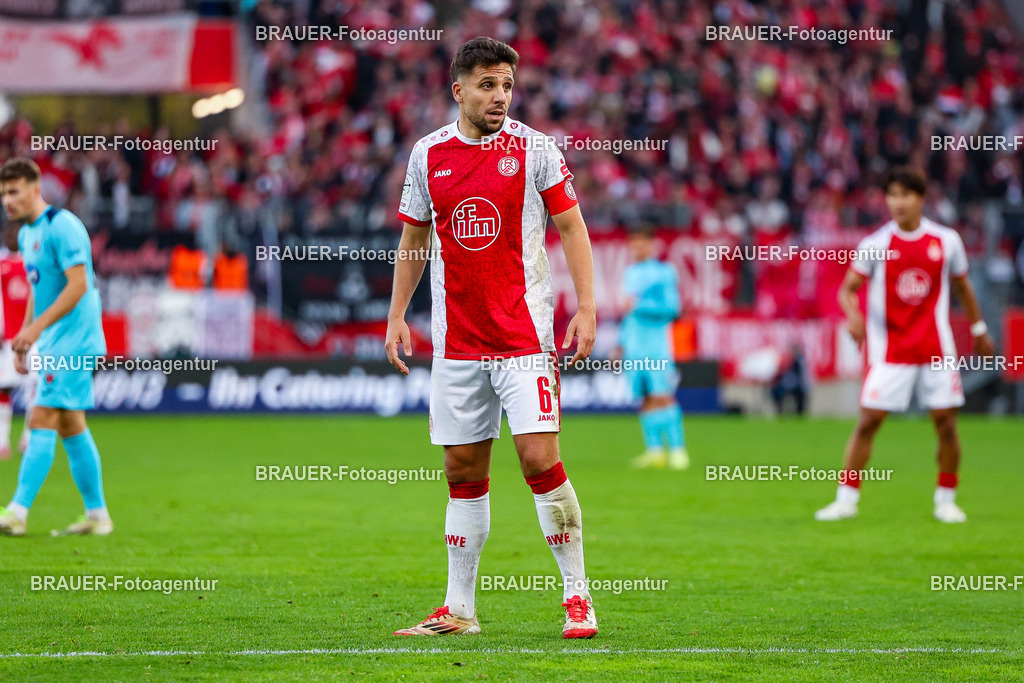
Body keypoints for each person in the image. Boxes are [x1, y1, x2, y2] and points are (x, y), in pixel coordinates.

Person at [385, 37, 598, 638]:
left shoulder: (536, 150)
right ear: (459, 90)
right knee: (461, 467)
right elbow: (412, 243)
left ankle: (577, 597)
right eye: (487, 85)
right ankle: (459, 609)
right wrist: (397, 314)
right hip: (456, 342)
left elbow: (572, 227)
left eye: (506, 84)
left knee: (539, 457)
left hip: (525, 336)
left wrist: (586, 306)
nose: (499, 96)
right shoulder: (427, 156)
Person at [815, 167, 995, 524]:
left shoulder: (946, 241)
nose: (898, 202)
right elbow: (847, 290)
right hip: (891, 352)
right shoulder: (876, 244)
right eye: (892, 195)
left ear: (921, 198)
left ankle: (946, 499)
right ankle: (845, 500)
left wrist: (978, 329)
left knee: (945, 424)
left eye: (906, 195)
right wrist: (853, 315)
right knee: (868, 423)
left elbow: (963, 287)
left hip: (936, 350)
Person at [0, 158, 112, 537]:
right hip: (53, 339)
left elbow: (78, 284)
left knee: (41, 415)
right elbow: (38, 288)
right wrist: (24, 336)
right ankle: (97, 515)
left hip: (74, 339)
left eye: (14, 191)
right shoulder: (26, 235)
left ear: (36, 187)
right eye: (3, 193)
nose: (7, 200)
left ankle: (17, 512)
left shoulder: (62, 226)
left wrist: (36, 328)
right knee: (71, 424)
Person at [614, 230, 688, 469]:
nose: (637, 248)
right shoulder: (630, 273)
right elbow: (629, 314)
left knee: (662, 396)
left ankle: (678, 451)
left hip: (656, 346)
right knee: (645, 398)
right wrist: (621, 342)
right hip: (633, 347)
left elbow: (672, 308)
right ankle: (655, 452)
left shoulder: (664, 272)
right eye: (633, 244)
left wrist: (640, 305)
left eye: (641, 243)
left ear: (651, 245)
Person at [0, 221, 32, 458]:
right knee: (4, 389)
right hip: (7, 340)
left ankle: (28, 438)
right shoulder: (1, 265)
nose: (11, 236)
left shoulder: (33, 264)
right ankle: (2, 440)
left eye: (15, 232)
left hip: (33, 339)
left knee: (36, 386)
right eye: (8, 232)